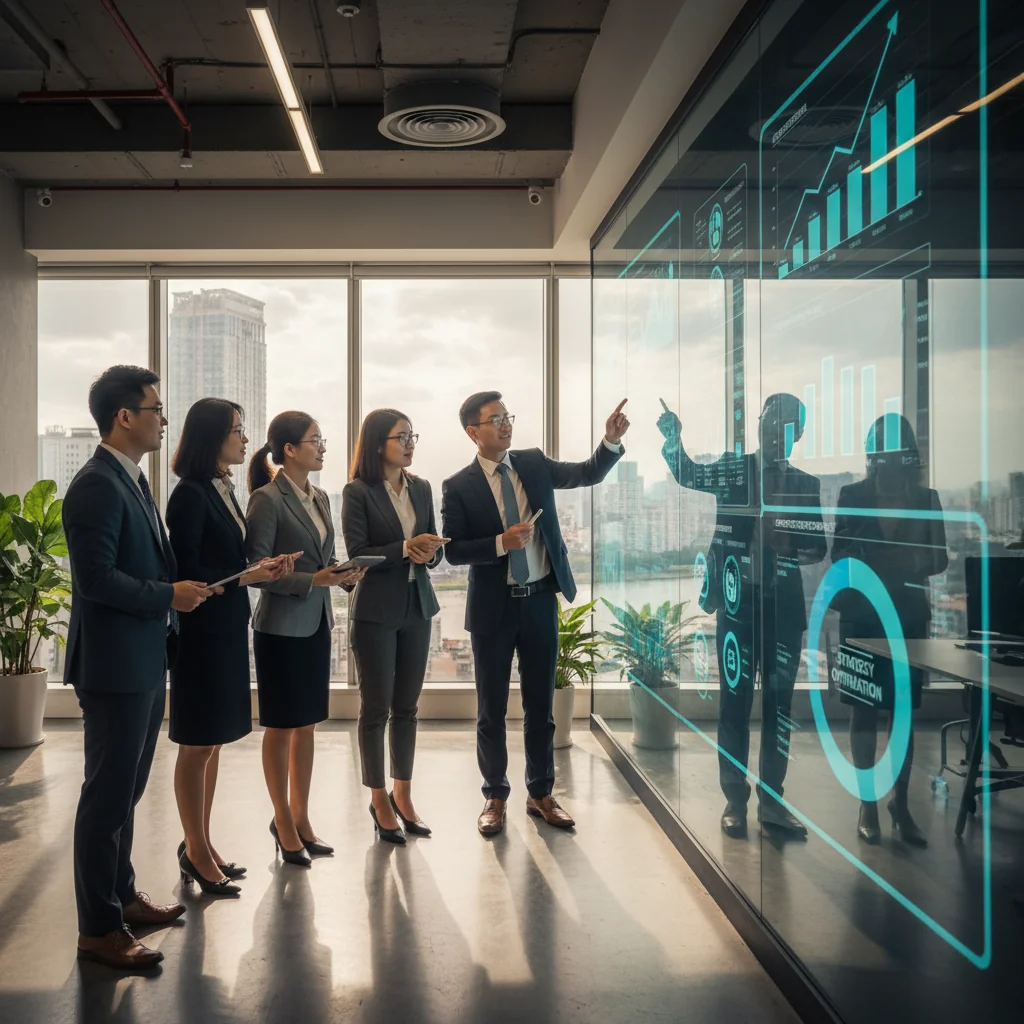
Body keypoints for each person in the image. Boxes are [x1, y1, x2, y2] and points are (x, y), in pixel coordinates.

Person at [63, 365, 211, 970]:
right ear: (124, 417)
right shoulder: (97, 484)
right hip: (115, 664)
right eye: (155, 408)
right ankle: (99, 929)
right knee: (106, 798)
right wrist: (167, 596)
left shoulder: (133, 481)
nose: (163, 419)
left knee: (124, 792)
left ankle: (120, 897)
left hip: (145, 658)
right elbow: (95, 580)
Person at [442, 392, 629, 835]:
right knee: (490, 709)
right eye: (495, 420)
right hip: (493, 608)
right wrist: (499, 544)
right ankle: (494, 795)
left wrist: (609, 442)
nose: (506, 425)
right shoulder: (458, 485)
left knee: (541, 706)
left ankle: (541, 793)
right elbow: (453, 550)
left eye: (508, 416)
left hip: (541, 599)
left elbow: (588, 473)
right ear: (473, 431)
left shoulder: (532, 462)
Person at [658, 393, 826, 839]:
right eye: (769, 422)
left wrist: (787, 544)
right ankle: (735, 800)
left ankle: (772, 803)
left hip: (783, 612)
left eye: (785, 425)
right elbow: (689, 474)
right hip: (737, 606)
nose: (774, 432)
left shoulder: (805, 484)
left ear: (798, 434)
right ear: (758, 424)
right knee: (734, 707)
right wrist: (674, 439)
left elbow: (818, 547)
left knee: (778, 711)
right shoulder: (735, 469)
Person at [166, 398, 297, 894]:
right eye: (237, 430)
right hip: (201, 632)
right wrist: (247, 576)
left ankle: (199, 842)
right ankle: (196, 850)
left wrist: (260, 569)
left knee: (213, 741)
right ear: (211, 437)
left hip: (224, 628)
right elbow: (188, 571)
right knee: (197, 742)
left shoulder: (223, 489)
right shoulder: (190, 495)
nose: (246, 439)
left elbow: (228, 561)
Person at [246, 411, 366, 866]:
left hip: (316, 624)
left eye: (322, 438)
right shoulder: (266, 499)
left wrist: (344, 575)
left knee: (307, 725)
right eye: (315, 440)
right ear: (290, 449)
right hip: (279, 628)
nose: (323, 447)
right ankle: (281, 818)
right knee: (280, 727)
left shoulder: (320, 498)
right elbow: (257, 571)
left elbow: (322, 560)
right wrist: (314, 580)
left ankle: (300, 816)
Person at [832, 413, 948, 847]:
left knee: (902, 716)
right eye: (879, 450)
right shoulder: (852, 494)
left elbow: (939, 559)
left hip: (907, 619)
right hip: (862, 617)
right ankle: (867, 805)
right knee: (863, 710)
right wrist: (890, 564)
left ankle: (899, 803)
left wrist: (900, 563)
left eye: (894, 449)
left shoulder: (927, 499)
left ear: (908, 454)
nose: (886, 458)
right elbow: (838, 553)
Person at [342, 409, 447, 844]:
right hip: (375, 612)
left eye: (411, 435)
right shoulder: (357, 492)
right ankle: (379, 796)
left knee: (408, 708)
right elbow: (358, 551)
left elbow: (436, 546)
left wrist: (429, 554)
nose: (409, 443)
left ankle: (404, 794)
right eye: (401, 436)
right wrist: (405, 548)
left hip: (417, 607)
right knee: (376, 709)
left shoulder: (421, 488)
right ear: (377, 443)